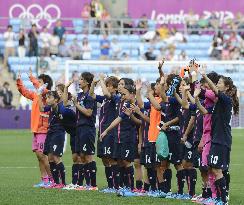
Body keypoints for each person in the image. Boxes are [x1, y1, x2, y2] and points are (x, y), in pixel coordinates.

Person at [195, 67, 239, 205]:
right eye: (218, 82)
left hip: (222, 139)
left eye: (220, 82)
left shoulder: (226, 99)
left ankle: (223, 199)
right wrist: (196, 98)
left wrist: (204, 76)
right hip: (216, 138)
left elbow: (215, 90)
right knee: (214, 168)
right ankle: (217, 198)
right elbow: (204, 111)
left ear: (226, 87)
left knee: (217, 169)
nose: (218, 84)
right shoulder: (218, 102)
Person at [16, 69, 53, 188]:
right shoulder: (36, 95)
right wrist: (19, 81)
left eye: (40, 81)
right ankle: (44, 179)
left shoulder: (47, 95)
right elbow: (24, 92)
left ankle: (53, 180)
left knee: (43, 156)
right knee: (39, 156)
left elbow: (40, 88)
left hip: (43, 129)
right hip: (36, 130)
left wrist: (32, 78)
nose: (37, 83)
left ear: (45, 84)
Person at [89, 74, 119, 192]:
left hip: (110, 132)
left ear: (115, 88)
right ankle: (110, 185)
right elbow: (91, 94)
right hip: (101, 131)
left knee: (111, 158)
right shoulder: (105, 99)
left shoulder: (114, 97)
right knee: (104, 158)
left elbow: (107, 93)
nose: (105, 87)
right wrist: (93, 83)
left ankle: (116, 186)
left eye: (108, 86)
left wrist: (101, 79)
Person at [73, 72, 98, 190]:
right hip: (79, 128)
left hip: (87, 128)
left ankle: (93, 185)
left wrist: (76, 105)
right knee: (81, 156)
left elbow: (89, 113)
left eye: (82, 79)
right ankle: (84, 184)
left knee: (88, 156)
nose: (79, 81)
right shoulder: (80, 95)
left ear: (88, 82)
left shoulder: (90, 96)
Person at [38, 91, 67, 188]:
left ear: (55, 99)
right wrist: (39, 94)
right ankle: (55, 182)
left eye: (49, 97)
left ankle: (63, 183)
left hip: (58, 133)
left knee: (56, 157)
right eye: (46, 98)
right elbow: (41, 108)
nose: (47, 99)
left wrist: (65, 88)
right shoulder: (50, 107)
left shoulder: (60, 106)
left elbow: (63, 100)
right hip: (50, 132)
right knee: (50, 157)